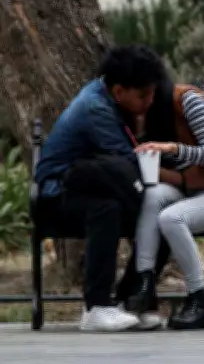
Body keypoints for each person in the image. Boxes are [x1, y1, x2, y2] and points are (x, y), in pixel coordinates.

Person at [34, 46, 166, 332]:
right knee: (107, 209)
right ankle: (96, 307)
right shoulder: (96, 109)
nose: (150, 101)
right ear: (119, 92)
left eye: (153, 93)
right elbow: (131, 163)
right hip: (57, 196)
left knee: (165, 219)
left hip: (91, 186)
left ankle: (130, 301)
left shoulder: (111, 98)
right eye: (143, 95)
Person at [126, 79, 204, 330]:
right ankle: (144, 284)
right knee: (153, 195)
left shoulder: (188, 101)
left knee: (171, 218)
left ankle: (200, 301)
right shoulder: (154, 111)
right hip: (187, 189)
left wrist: (173, 148)